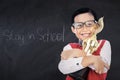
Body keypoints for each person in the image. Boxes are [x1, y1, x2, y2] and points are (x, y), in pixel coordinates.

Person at [58, 8, 111, 80]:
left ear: (96, 26)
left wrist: (78, 53)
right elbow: (63, 68)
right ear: (73, 29)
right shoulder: (70, 47)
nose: (85, 29)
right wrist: (93, 59)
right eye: (79, 25)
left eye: (89, 24)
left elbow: (103, 68)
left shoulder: (104, 44)